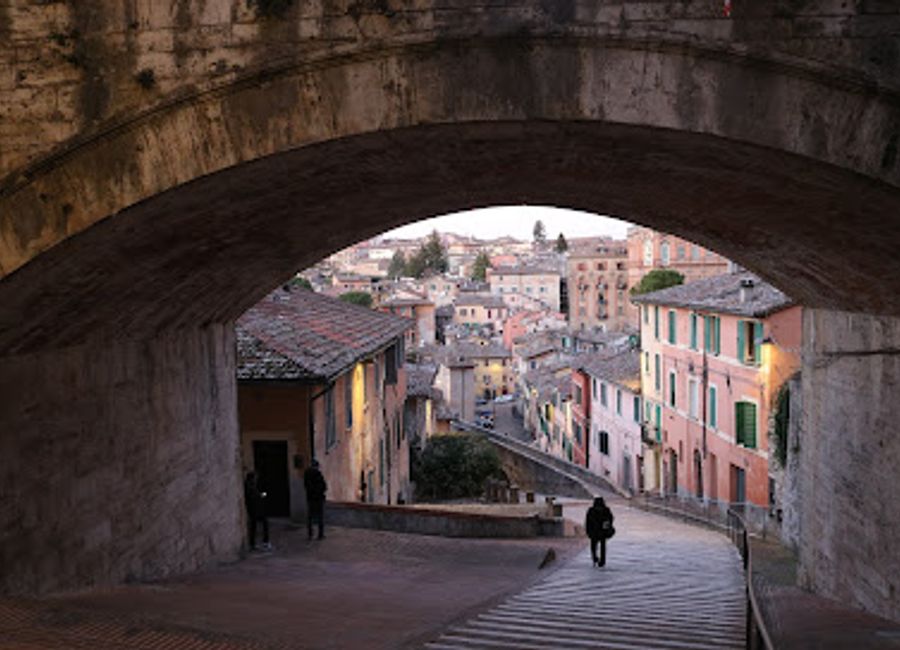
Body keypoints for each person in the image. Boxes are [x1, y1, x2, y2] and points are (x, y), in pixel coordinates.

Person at [244, 471, 271, 551]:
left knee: (254, 526)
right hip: (254, 510)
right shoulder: (249, 486)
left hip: (255, 509)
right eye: (255, 477)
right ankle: (264, 542)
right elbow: (254, 496)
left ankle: (254, 543)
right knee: (260, 524)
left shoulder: (251, 485)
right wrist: (262, 495)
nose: (256, 479)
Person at [585, 496, 614, 567]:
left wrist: (588, 531)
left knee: (593, 546)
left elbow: (587, 522)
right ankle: (602, 561)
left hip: (594, 531)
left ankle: (594, 558)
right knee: (603, 546)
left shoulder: (591, 510)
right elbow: (611, 519)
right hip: (602, 531)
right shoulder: (606, 510)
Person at [304, 459, 327, 540]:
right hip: (318, 498)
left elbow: (306, 486)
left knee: (310, 517)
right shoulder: (318, 474)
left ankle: (310, 534)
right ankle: (320, 534)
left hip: (310, 498)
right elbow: (324, 486)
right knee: (320, 517)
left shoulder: (306, 474)